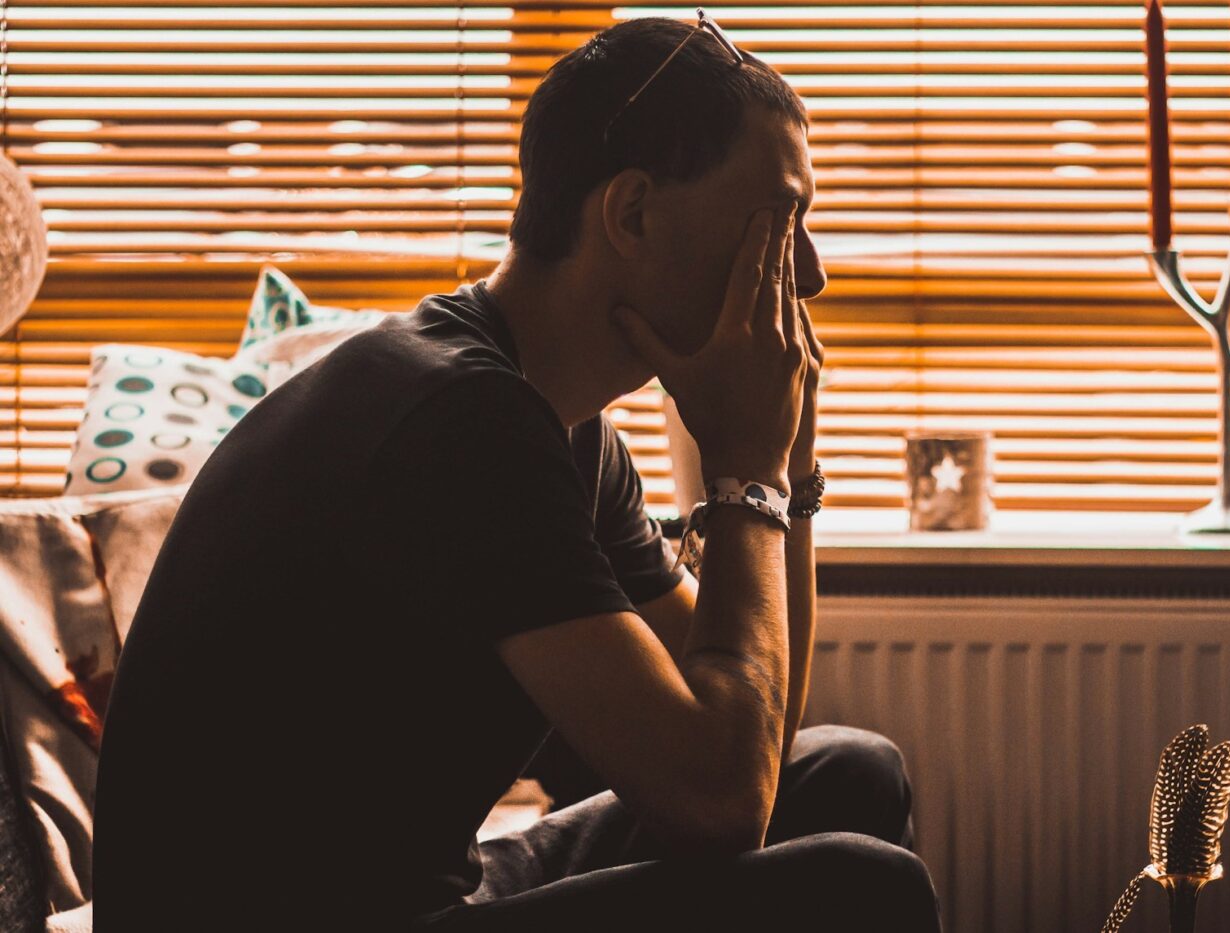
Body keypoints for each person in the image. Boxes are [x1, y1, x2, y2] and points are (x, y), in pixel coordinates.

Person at [93, 14, 941, 933]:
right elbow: (720, 795)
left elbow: (754, 742)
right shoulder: (459, 420)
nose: (808, 276)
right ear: (632, 213)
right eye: (779, 222)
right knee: (865, 885)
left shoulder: (559, 430)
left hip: (413, 895)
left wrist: (788, 470)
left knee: (850, 769)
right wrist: (747, 476)